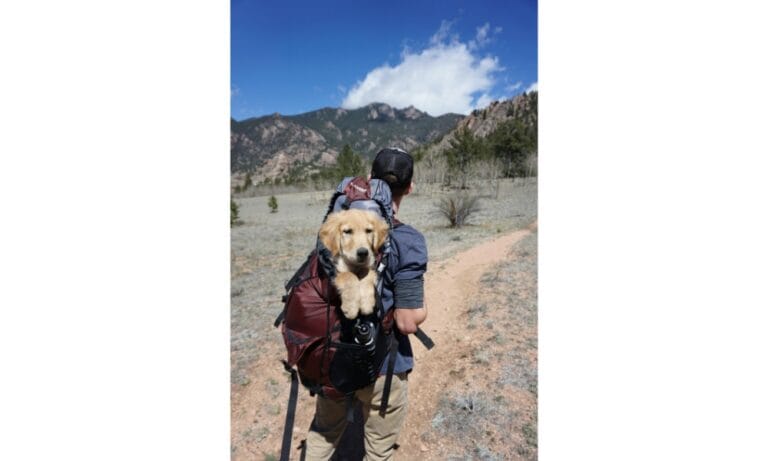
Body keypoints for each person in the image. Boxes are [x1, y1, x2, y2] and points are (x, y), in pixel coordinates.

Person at [305, 147, 428, 461]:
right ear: (410, 187)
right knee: (377, 450)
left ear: (370, 181)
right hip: (384, 366)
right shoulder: (409, 240)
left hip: (332, 356)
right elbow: (406, 321)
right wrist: (421, 310)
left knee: (323, 434)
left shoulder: (341, 228)